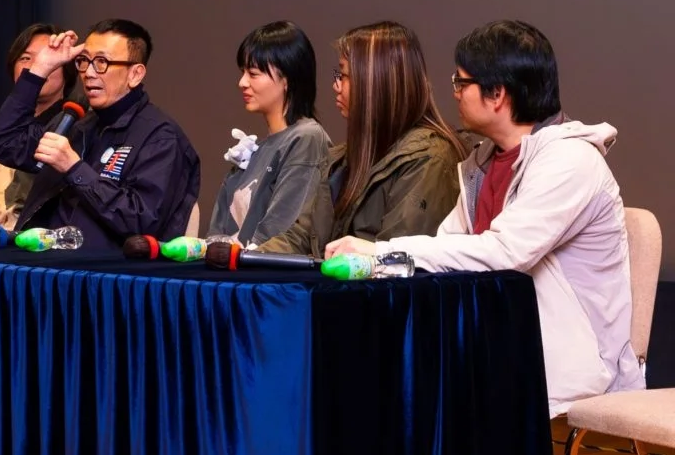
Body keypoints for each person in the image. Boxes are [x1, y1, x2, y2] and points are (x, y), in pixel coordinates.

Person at [325, 20, 643, 417]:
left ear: (497, 94)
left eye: (461, 83)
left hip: (565, 362)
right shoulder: (483, 162)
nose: (454, 93)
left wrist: (380, 252)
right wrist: (379, 260)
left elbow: (505, 252)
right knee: (377, 366)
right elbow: (447, 247)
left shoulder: (570, 161)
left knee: (398, 382)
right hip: (499, 344)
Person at [0, 19, 200, 250]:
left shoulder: (161, 137)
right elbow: (3, 142)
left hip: (102, 269)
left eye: (101, 62)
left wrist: (74, 169)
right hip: (38, 260)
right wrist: (39, 70)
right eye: (84, 61)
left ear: (135, 74)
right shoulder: (76, 122)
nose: (88, 73)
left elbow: (142, 221)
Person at [260, 21, 466, 256]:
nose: (336, 86)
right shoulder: (342, 158)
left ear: (375, 82)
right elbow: (300, 237)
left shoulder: (429, 159)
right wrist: (244, 258)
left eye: (344, 75)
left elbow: (394, 261)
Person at [206, 21, 331, 246]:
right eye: (243, 72)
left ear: (287, 79)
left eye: (253, 74)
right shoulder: (256, 150)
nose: (242, 82)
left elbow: (280, 233)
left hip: (265, 267)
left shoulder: (306, 138)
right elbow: (218, 231)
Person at [0, 23, 82, 231]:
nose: (37, 66)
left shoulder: (72, 133)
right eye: (25, 58)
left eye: (48, 58)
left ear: (67, 70)